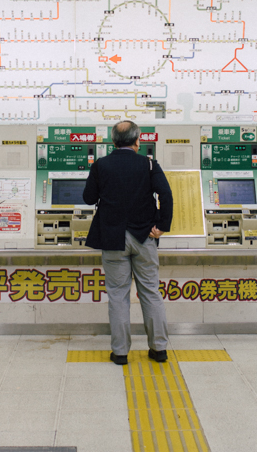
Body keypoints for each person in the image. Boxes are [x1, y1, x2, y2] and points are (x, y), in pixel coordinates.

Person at [83, 120, 174, 365]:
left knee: (118, 295)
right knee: (150, 292)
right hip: (144, 237)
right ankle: (159, 348)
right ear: (137, 140)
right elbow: (165, 194)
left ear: (113, 142)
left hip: (114, 239)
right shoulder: (148, 164)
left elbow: (88, 197)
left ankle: (121, 352)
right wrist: (162, 226)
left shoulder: (102, 165)